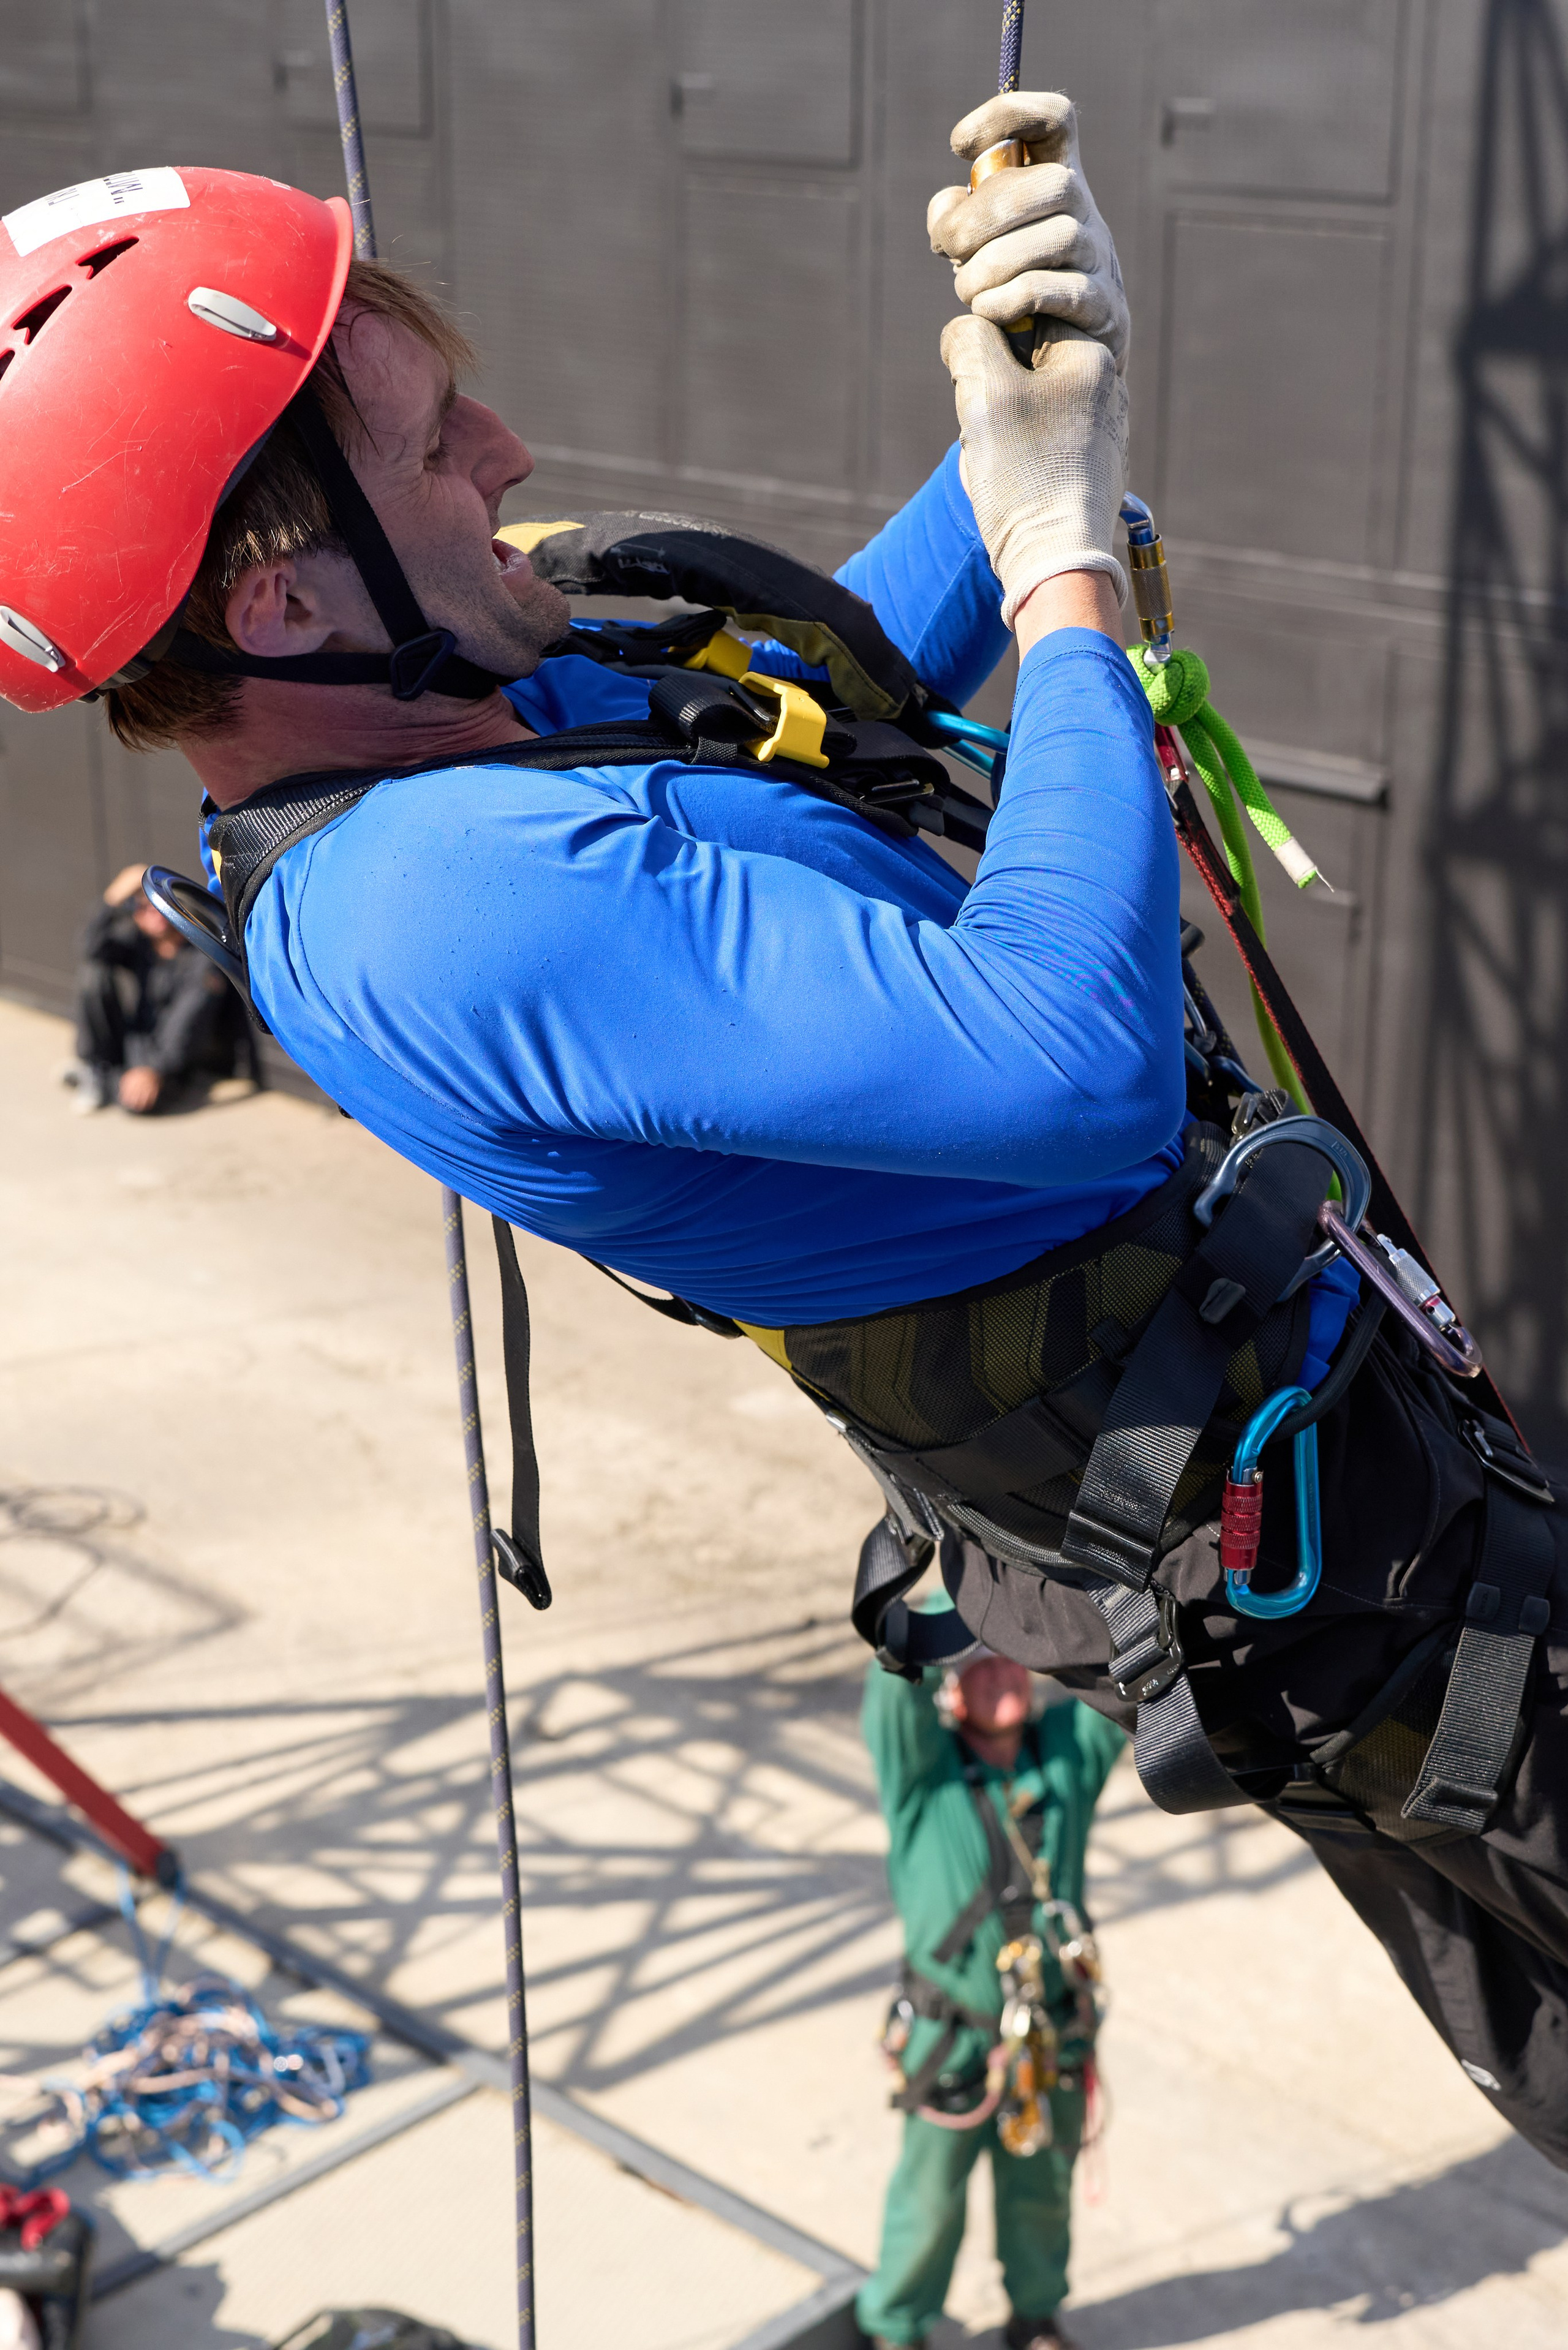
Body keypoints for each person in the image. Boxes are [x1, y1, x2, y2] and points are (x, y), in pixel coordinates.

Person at [2, 102, 1566, 2167]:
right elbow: (1058, 1059)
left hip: (1317, 1467)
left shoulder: (467, 699)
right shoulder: (433, 902)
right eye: (434, 440)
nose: (510, 459)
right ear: (283, 605)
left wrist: (1017, 410)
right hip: (1330, 1564)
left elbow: (812, 698)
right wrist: (1066, 570)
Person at [859, 1627, 1123, 2350]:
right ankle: (896, 2329)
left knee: (1042, 2191)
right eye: (977, 1665)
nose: (1000, 1674)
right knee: (930, 2198)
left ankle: (1034, 2317)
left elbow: (1118, 1669)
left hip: (1048, 2032)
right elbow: (892, 1696)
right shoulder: (922, 1776)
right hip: (953, 2036)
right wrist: (916, 1601)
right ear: (950, 1685)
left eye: (1011, 1654)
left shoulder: (1064, 1759)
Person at [68, 862, 227, 1114]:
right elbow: (90, 949)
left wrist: (155, 1069)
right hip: (135, 1043)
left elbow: (188, 1021)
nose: (152, 913)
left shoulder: (200, 957)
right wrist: (112, 898)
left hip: (172, 1059)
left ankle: (101, 1079)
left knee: (138, 1103)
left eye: (156, 904)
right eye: (142, 907)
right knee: (93, 974)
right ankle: (96, 1069)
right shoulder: (140, 943)